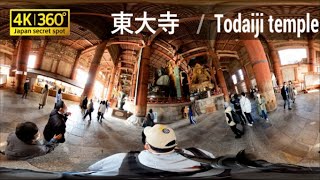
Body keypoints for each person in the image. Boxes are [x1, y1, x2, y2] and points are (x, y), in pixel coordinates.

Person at [88, 124, 217, 177]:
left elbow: (91, 170)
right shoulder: (201, 154)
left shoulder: (121, 160)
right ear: (174, 144)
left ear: (147, 146)